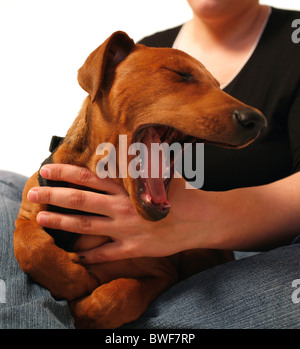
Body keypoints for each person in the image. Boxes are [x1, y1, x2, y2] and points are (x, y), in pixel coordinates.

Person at [1, 0, 300, 328]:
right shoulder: (144, 50)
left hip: (243, 253)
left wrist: (201, 223)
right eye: (181, 77)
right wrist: (38, 253)